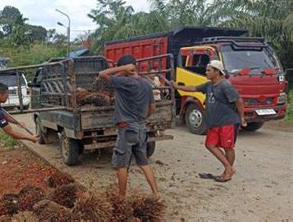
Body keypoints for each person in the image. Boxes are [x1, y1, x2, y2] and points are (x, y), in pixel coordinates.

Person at [173, 60, 246, 182]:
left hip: (227, 121)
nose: (206, 72)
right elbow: (193, 88)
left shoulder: (225, 86)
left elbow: (238, 102)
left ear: (217, 72)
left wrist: (242, 117)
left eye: (209, 70)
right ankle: (229, 168)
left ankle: (227, 172)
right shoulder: (209, 85)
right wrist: (177, 86)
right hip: (214, 122)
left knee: (228, 147)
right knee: (210, 145)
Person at [99, 55, 159, 198]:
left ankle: (121, 197)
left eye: (122, 69)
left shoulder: (124, 82)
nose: (119, 73)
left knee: (121, 164)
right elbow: (152, 108)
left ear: (127, 68)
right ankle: (156, 194)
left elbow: (102, 74)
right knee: (144, 162)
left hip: (127, 129)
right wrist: (143, 119)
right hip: (140, 128)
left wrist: (123, 68)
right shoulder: (146, 84)